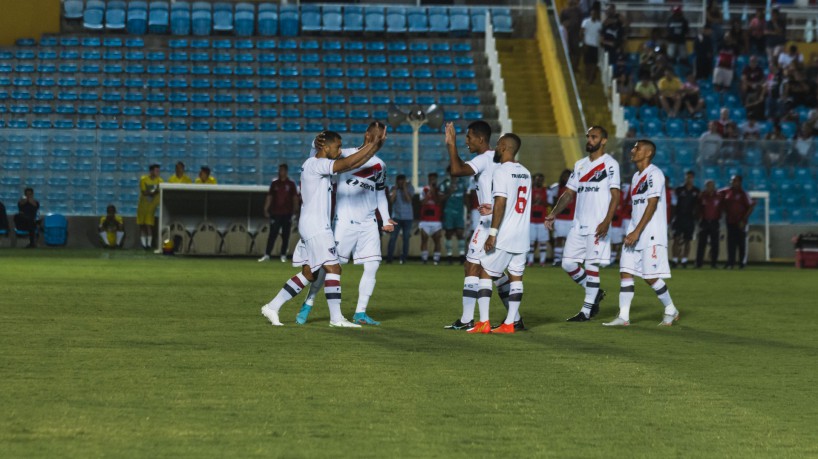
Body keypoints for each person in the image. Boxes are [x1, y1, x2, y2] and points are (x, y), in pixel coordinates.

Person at [260, 127, 386, 328]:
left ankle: (272, 306)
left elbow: (353, 163)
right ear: (325, 147)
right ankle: (336, 318)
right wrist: (372, 145)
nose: (340, 150)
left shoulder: (315, 162)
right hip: (317, 227)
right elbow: (349, 162)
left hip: (312, 225)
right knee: (334, 268)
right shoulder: (316, 164)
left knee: (310, 273)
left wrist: (375, 146)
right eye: (337, 147)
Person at [297, 122, 395, 326]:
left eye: (381, 136)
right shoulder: (345, 155)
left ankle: (360, 312)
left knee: (372, 266)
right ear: (367, 135)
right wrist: (312, 144)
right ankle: (309, 301)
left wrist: (385, 219)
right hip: (344, 222)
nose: (377, 139)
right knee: (329, 266)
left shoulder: (380, 165)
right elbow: (317, 159)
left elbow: (380, 193)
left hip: (368, 223)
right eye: (375, 135)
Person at [444, 120, 523, 331]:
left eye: (469, 137)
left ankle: (467, 319)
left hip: (490, 223)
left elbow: (456, 170)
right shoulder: (506, 163)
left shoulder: (484, 158)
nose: (466, 141)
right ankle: (514, 318)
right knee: (495, 272)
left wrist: (450, 144)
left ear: (481, 139)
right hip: (507, 222)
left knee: (472, 266)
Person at [545, 126, 621, 322]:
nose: (589, 140)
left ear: (603, 141)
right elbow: (569, 193)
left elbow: (615, 196)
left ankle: (585, 312)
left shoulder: (610, 165)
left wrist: (606, 222)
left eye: (594, 137)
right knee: (568, 263)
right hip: (578, 224)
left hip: (598, 225)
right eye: (588, 136)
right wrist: (553, 213)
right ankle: (594, 292)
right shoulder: (579, 165)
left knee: (591, 265)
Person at [603, 140, 680, 327]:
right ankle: (624, 317)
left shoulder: (655, 174)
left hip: (650, 233)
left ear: (648, 153)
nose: (633, 150)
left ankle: (671, 309)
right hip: (635, 230)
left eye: (637, 148)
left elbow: (652, 204)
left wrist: (637, 231)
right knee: (625, 271)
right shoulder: (637, 177)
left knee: (649, 276)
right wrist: (633, 230)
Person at [469, 134, 530, 334]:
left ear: (503, 147)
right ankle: (509, 324)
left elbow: (503, 202)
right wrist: (492, 208)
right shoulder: (526, 173)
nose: (495, 147)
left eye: (497, 144)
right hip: (522, 235)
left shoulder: (501, 171)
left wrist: (492, 233)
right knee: (516, 278)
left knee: (485, 271)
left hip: (505, 235)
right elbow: (515, 202)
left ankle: (484, 322)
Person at [259, 164, 300, 263]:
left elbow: (294, 197)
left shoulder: (290, 184)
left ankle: (283, 255)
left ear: (286, 171)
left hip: (287, 213)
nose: (280, 172)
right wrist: (266, 208)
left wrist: (296, 209)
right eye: (279, 170)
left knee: (286, 235)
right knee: (272, 234)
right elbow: (270, 197)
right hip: (275, 212)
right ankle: (267, 255)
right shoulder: (274, 183)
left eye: (282, 170)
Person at [719, 175, 756, 269]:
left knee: (741, 243)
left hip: (741, 222)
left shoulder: (743, 194)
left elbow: (751, 206)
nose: (732, 182)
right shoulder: (726, 191)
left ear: (740, 182)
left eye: (735, 180)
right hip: (730, 221)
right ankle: (730, 262)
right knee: (730, 243)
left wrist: (744, 220)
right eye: (732, 180)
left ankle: (742, 263)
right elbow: (716, 193)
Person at [671, 171, 700, 268]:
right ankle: (675, 260)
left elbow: (698, 206)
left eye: (691, 177)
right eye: (687, 177)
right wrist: (672, 217)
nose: (689, 179)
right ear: (685, 178)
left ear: (693, 178)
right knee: (676, 239)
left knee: (687, 240)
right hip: (679, 217)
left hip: (690, 219)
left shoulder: (696, 191)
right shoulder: (679, 190)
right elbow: (674, 204)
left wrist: (697, 217)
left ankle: (684, 260)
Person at [548, 169, 575, 266]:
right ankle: (557, 260)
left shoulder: (576, 188)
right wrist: (553, 214)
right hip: (560, 218)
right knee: (558, 239)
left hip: (571, 218)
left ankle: (568, 260)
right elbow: (552, 202)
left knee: (570, 241)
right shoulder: (556, 188)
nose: (566, 178)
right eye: (565, 176)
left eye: (568, 176)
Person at [386, 174, 414, 264]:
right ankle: (389, 258)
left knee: (406, 238)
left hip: (408, 217)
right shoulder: (393, 188)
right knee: (393, 238)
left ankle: (403, 259)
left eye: (403, 181)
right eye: (399, 181)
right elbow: (391, 200)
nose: (401, 183)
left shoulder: (410, 188)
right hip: (396, 217)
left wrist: (404, 188)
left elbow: (408, 199)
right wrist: (395, 190)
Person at [441, 168, 467, 264]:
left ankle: (461, 256)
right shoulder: (445, 184)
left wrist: (467, 212)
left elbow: (465, 197)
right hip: (449, 212)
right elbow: (440, 199)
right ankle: (449, 256)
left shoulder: (462, 183)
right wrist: (449, 192)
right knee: (448, 234)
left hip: (459, 212)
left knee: (460, 233)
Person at [419, 172, 443, 265]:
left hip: (436, 220)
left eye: (434, 179)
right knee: (424, 239)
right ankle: (424, 259)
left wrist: (434, 192)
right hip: (425, 219)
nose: (432, 180)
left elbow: (438, 202)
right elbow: (422, 203)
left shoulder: (439, 189)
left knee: (437, 240)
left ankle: (436, 259)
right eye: (431, 179)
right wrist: (428, 194)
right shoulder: (424, 189)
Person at [696, 179, 721, 269]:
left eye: (711, 185)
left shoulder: (718, 196)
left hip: (714, 222)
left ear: (714, 186)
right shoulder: (702, 196)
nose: (710, 187)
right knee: (701, 244)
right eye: (708, 185)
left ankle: (714, 263)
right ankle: (698, 263)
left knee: (715, 244)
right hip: (704, 222)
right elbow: (698, 207)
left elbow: (721, 208)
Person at [137, 164, 162, 250]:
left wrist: (151, 192)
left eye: (158, 171)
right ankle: (144, 244)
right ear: (151, 171)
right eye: (156, 171)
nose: (158, 172)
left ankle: (149, 244)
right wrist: (154, 192)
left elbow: (158, 191)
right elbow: (144, 192)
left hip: (152, 207)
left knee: (149, 225)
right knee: (142, 225)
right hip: (143, 205)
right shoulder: (144, 179)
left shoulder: (160, 180)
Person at [528, 173, 549, 267]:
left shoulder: (547, 191)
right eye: (537, 179)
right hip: (531, 220)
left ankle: (542, 261)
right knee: (531, 242)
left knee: (543, 242)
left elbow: (551, 202)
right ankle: (530, 261)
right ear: (533, 180)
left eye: (540, 180)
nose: (539, 181)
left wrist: (542, 202)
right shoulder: (529, 190)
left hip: (542, 220)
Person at [580, 5, 602, 84]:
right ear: (590, 14)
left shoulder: (599, 24)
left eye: (595, 14)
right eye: (592, 13)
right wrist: (583, 43)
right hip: (587, 45)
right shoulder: (586, 22)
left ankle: (590, 79)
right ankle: (587, 77)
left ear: (596, 14)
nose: (593, 15)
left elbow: (600, 34)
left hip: (595, 46)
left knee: (593, 63)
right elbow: (581, 32)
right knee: (587, 63)